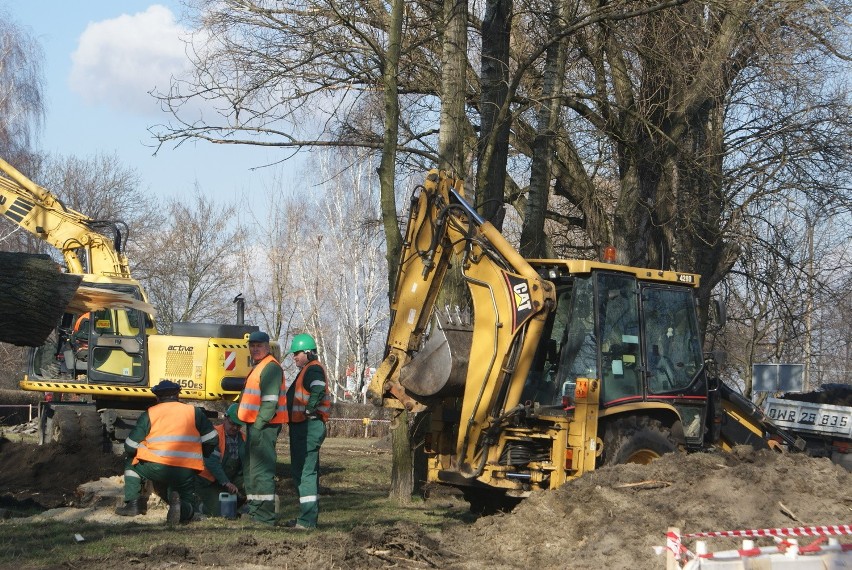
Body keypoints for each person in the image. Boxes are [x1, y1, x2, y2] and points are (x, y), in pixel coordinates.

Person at [115, 380, 218, 524]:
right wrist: (202, 454)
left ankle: (133, 505)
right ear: (177, 395)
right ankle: (183, 509)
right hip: (186, 469)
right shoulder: (193, 412)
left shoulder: (150, 413)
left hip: (157, 467)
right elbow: (212, 439)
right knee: (187, 498)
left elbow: (130, 446)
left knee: (130, 464)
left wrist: (140, 453)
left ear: (157, 398)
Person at [237, 330, 287, 526]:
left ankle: (265, 516)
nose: (255, 349)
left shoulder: (271, 368)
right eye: (252, 346)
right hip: (253, 426)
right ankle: (256, 510)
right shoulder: (259, 367)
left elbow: (270, 402)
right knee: (251, 471)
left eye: (259, 345)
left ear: (268, 347)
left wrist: (257, 426)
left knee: (261, 472)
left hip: (264, 427)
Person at [283, 333, 331, 530]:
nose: (293, 357)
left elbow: (318, 388)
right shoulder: (308, 370)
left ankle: (307, 520)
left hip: (308, 426)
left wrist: (310, 408)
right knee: (301, 472)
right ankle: (305, 517)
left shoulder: (313, 369)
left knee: (306, 472)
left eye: (296, 353)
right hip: (303, 426)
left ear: (308, 352)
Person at [194, 403, 246, 517]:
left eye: (238, 425)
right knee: (220, 511)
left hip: (228, 479)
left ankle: (235, 507)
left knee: (250, 484)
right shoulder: (214, 435)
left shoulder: (243, 439)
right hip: (208, 481)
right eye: (232, 424)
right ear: (225, 418)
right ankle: (197, 506)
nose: (235, 428)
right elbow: (211, 462)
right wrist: (226, 483)